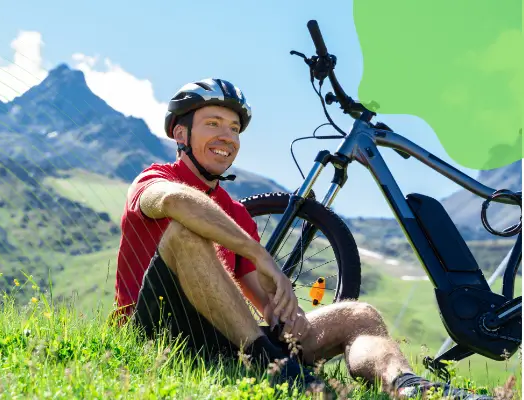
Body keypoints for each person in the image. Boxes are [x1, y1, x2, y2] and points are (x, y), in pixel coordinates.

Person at [112, 77, 491, 399]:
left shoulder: (237, 213)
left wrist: (284, 313)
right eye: (213, 123)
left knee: (358, 314)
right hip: (155, 332)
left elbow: (255, 297)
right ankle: (273, 369)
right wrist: (258, 253)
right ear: (181, 133)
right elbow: (175, 201)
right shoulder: (154, 179)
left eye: (233, 128)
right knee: (186, 233)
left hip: (226, 340)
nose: (226, 136)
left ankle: (407, 386)